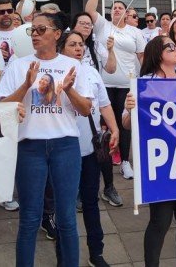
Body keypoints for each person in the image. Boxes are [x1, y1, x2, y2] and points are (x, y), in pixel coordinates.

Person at [0, 12, 93, 267]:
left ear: (57, 34)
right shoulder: (18, 65)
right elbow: (1, 107)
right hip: (30, 147)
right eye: (32, 31)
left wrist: (69, 89)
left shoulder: (73, 66)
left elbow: (85, 109)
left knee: (67, 218)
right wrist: (26, 85)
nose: (35, 35)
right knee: (29, 218)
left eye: (41, 29)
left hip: (65, 146)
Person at [123, 35, 176, 267]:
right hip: (161, 163)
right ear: (158, 53)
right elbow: (127, 124)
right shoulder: (143, 83)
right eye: (171, 47)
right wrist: (129, 110)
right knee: (161, 221)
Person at [58, 30, 120, 267]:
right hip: (63, 150)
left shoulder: (92, 72)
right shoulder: (54, 72)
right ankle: (64, 256)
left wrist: (114, 129)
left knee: (91, 202)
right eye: (72, 44)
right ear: (61, 47)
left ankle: (97, 252)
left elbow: (104, 105)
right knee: (64, 207)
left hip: (90, 151)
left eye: (81, 44)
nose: (78, 48)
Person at [85, 0, 145, 181]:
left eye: (121, 8)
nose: (117, 10)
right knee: (105, 124)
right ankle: (106, 158)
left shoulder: (135, 32)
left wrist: (145, 81)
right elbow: (90, 10)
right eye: (114, 8)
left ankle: (126, 162)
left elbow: (142, 57)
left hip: (128, 83)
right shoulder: (102, 26)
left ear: (127, 13)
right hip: (106, 84)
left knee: (125, 123)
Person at [70, 12, 122, 206]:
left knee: (101, 147)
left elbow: (110, 69)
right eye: (81, 23)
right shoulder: (63, 51)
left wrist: (111, 50)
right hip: (73, 113)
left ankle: (108, 187)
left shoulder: (95, 46)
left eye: (89, 24)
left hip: (95, 107)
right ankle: (76, 191)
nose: (86, 26)